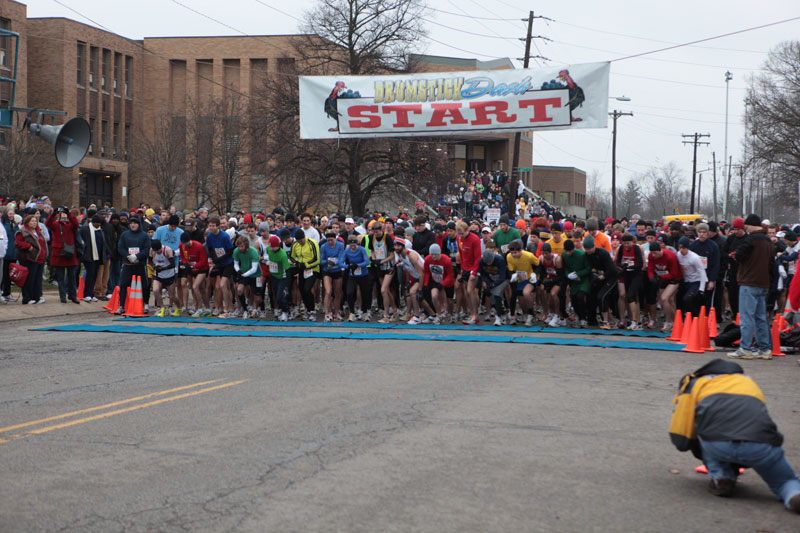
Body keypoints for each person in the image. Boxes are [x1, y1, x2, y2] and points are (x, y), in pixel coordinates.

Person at [669, 358, 800, 513]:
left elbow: (681, 436)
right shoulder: (748, 382)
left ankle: (722, 477)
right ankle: (793, 495)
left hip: (717, 444)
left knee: (703, 428)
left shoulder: (696, 383)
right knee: (786, 481)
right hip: (761, 444)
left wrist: (695, 447)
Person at [728, 214, 774, 360]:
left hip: (749, 282)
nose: (745, 228)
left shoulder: (750, 240)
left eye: (747, 226)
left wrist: (735, 255)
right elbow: (772, 264)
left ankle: (745, 348)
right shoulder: (768, 242)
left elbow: (740, 254)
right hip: (764, 283)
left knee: (747, 317)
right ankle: (765, 349)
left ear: (751, 226)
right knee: (761, 317)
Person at [116, 216, 152, 314]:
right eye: (131, 223)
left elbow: (147, 249)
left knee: (144, 285)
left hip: (140, 264)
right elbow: (120, 248)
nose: (133, 225)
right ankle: (121, 306)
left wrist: (137, 256)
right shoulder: (125, 235)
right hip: (127, 264)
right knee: (123, 284)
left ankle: (145, 304)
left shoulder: (144, 236)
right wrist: (128, 256)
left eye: (135, 223)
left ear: (139, 224)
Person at [46, 207, 80, 304]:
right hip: (59, 254)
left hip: (69, 253)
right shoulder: (55, 225)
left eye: (65, 214)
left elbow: (76, 224)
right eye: (62, 214)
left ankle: (73, 296)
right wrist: (53, 214)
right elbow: (48, 223)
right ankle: (62, 296)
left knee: (72, 277)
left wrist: (69, 213)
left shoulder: (70, 225)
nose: (64, 216)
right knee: (60, 277)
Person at [584, 235, 618, 329]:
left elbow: (612, 270)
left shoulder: (603, 253)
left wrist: (602, 276)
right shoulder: (587, 255)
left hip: (611, 277)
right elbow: (591, 268)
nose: (588, 251)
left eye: (589, 249)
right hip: (600, 277)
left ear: (593, 246)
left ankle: (606, 321)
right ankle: (611, 321)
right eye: (586, 249)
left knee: (601, 297)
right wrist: (594, 273)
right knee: (595, 296)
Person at [205, 217, 235, 317]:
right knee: (222, 286)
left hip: (228, 263)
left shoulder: (224, 236)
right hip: (219, 263)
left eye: (213, 226)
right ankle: (224, 307)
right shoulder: (209, 236)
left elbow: (231, 251)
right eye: (210, 226)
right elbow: (210, 249)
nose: (211, 228)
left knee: (223, 285)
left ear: (218, 226)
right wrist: (214, 259)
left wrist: (221, 258)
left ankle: (228, 308)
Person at [14, 214, 48, 304]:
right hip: (29, 259)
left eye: (35, 221)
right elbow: (17, 243)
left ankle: (36, 297)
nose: (34, 223)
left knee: (37, 279)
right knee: (29, 279)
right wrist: (28, 246)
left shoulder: (38, 231)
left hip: (40, 259)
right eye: (32, 221)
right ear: (27, 222)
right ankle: (27, 298)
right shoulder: (22, 232)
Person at [505, 239, 539, 326]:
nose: (514, 255)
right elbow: (511, 269)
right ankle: (526, 313)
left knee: (526, 293)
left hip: (530, 278)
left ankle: (530, 315)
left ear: (521, 250)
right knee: (521, 300)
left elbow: (539, 264)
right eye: (512, 253)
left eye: (515, 253)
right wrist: (513, 275)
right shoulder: (509, 257)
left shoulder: (529, 256)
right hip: (520, 279)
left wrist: (535, 274)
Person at [290, 228, 320, 321]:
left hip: (312, 269)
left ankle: (312, 310)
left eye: (301, 240)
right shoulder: (295, 244)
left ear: (304, 237)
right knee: (302, 289)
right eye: (298, 241)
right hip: (302, 269)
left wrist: (307, 265)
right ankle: (308, 309)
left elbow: (317, 259)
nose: (300, 242)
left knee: (307, 289)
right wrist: (297, 264)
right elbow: (291, 257)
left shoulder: (312, 243)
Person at [179, 232, 211, 317]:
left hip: (202, 269)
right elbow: (182, 256)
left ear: (189, 240)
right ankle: (207, 308)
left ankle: (200, 308)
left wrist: (194, 266)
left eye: (186, 243)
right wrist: (186, 263)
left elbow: (203, 260)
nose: (185, 245)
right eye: (183, 243)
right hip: (191, 269)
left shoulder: (198, 246)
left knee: (195, 286)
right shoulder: (181, 246)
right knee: (202, 289)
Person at [79, 214, 109, 302]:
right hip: (89, 256)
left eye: (99, 223)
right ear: (93, 222)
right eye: (97, 223)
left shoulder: (100, 230)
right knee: (89, 275)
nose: (98, 225)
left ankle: (92, 294)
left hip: (98, 257)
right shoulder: (85, 229)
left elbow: (103, 243)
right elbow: (81, 240)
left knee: (95, 276)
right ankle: (87, 294)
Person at [422, 243, 455, 324]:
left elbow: (450, 275)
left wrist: (443, 284)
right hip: (436, 280)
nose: (433, 256)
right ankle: (439, 314)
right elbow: (426, 272)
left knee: (449, 300)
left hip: (447, 281)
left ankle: (450, 314)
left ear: (439, 253)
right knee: (434, 296)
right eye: (432, 254)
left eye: (435, 254)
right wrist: (425, 284)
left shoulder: (446, 260)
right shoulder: (428, 259)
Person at [676, 236, 707, 319]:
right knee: (679, 298)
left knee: (688, 299)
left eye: (683, 248)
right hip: (686, 281)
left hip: (696, 281)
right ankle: (682, 318)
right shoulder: (678, 255)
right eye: (680, 247)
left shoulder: (694, 257)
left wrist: (701, 289)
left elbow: (702, 272)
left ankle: (695, 317)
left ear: (687, 247)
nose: (681, 250)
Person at [562, 239, 591, 327]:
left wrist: (578, 274)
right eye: (566, 251)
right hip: (573, 281)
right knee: (574, 299)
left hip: (583, 280)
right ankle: (578, 316)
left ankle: (583, 318)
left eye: (570, 251)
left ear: (573, 249)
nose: (568, 253)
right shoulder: (564, 255)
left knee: (580, 297)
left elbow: (588, 268)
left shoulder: (581, 254)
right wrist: (568, 275)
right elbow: (566, 267)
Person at [477, 248, 509, 326]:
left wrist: (493, 285)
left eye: (490, 262)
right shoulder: (481, 262)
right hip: (491, 278)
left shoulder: (500, 260)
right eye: (487, 262)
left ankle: (498, 316)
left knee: (497, 293)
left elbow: (502, 276)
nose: (488, 264)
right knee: (490, 295)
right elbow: (483, 274)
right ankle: (501, 312)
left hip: (502, 279)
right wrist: (487, 282)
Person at [344, 235, 372, 322]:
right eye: (351, 245)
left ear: (357, 244)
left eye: (354, 245)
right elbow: (340, 262)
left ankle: (365, 312)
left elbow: (367, 261)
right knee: (349, 293)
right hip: (353, 276)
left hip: (363, 275)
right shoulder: (347, 251)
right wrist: (348, 266)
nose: (353, 247)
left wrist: (357, 265)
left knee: (365, 294)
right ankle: (352, 312)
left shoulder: (362, 249)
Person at [150, 239, 181, 317]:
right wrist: (155, 267)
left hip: (169, 275)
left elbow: (173, 264)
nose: (158, 252)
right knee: (155, 290)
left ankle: (179, 307)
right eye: (156, 251)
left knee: (172, 296)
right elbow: (150, 260)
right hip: (159, 275)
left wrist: (163, 268)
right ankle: (162, 308)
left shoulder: (167, 250)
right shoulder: (152, 251)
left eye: (159, 250)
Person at [320, 230, 346, 321]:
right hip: (327, 270)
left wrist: (335, 263)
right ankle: (327, 312)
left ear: (335, 239)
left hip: (337, 270)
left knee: (338, 292)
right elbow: (321, 260)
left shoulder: (340, 245)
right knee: (328, 291)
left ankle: (336, 311)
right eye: (328, 240)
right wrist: (327, 262)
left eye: (332, 240)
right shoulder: (324, 247)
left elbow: (341, 258)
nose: (330, 242)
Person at [232, 235, 260, 319]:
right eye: (239, 246)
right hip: (244, 271)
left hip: (255, 274)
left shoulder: (253, 251)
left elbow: (254, 268)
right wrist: (238, 271)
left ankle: (255, 309)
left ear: (246, 246)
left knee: (256, 293)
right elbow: (236, 264)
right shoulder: (236, 251)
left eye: (242, 246)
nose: (240, 248)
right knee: (239, 290)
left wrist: (244, 274)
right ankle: (245, 309)